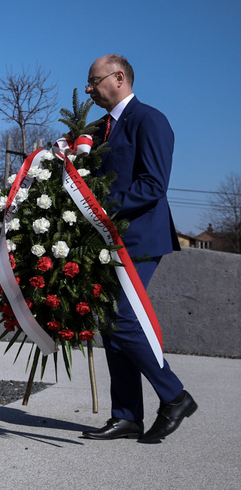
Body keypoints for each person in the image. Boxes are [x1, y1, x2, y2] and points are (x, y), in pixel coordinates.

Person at [82, 54, 197, 442]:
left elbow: (152, 185)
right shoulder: (97, 130)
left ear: (118, 78)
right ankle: (127, 415)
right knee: (109, 327)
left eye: (94, 81)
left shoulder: (150, 120)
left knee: (120, 317)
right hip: (105, 241)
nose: (88, 89)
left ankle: (175, 395)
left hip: (140, 238)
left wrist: (100, 209)